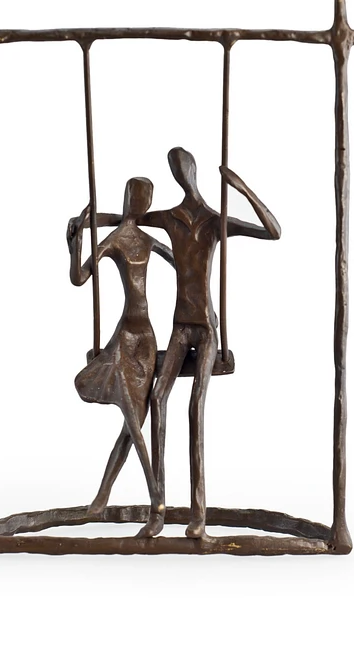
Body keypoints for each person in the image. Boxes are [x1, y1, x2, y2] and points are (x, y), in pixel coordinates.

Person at [128, 148, 282, 538]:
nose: (179, 174)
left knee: (195, 408)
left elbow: (272, 230)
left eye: (182, 167)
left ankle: (198, 515)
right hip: (180, 326)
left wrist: (242, 188)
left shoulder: (214, 221)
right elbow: (127, 220)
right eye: (174, 169)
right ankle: (158, 510)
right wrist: (86, 223)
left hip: (206, 328)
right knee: (157, 399)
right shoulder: (170, 218)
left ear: (194, 172)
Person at [68, 177, 175, 534]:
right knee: (132, 418)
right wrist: (75, 245)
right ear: (128, 198)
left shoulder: (148, 240)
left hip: (146, 338)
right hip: (125, 337)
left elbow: (186, 264)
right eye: (137, 195)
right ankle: (156, 498)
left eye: (147, 198)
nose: (142, 202)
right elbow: (80, 278)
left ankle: (101, 497)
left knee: (133, 427)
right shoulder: (114, 240)